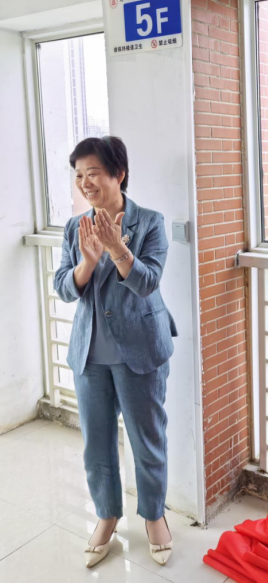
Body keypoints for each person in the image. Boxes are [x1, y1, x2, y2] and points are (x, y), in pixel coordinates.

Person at [54, 136, 178, 569]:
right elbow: (63, 286)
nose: (85, 183)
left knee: (147, 440)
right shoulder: (75, 227)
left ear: (118, 174)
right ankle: (107, 515)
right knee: (97, 444)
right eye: (79, 175)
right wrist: (87, 263)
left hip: (139, 351)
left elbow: (148, 283)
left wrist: (117, 248)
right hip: (90, 355)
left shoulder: (150, 222)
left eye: (93, 173)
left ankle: (155, 516)